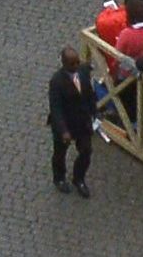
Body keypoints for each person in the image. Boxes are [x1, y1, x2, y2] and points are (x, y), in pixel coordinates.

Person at [49, 49, 103, 196]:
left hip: (82, 122)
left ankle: (79, 178)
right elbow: (56, 108)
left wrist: (95, 111)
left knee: (86, 151)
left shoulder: (83, 72)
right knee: (60, 153)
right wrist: (63, 130)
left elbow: (90, 94)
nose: (76, 65)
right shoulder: (56, 81)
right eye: (73, 63)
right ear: (64, 64)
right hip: (66, 123)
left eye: (77, 62)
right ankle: (59, 178)